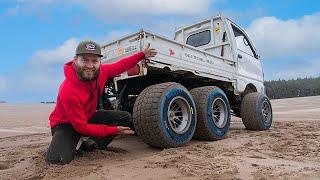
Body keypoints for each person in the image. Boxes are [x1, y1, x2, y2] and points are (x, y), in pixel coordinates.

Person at [45, 40, 157, 165]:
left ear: (99, 62)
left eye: (94, 61)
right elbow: (81, 127)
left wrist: (141, 55)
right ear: (75, 60)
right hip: (66, 124)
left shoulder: (102, 71)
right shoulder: (68, 90)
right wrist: (113, 131)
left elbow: (121, 65)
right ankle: (60, 145)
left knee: (124, 117)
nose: (90, 65)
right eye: (85, 60)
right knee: (57, 161)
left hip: (87, 116)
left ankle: (90, 146)